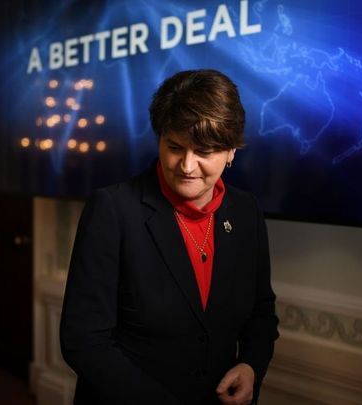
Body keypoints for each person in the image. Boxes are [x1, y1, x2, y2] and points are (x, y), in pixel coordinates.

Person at [60, 69, 279, 405]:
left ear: (232, 151)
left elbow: (261, 312)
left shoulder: (246, 210)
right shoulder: (113, 209)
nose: (187, 166)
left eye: (204, 151)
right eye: (174, 146)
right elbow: (84, 340)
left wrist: (251, 365)